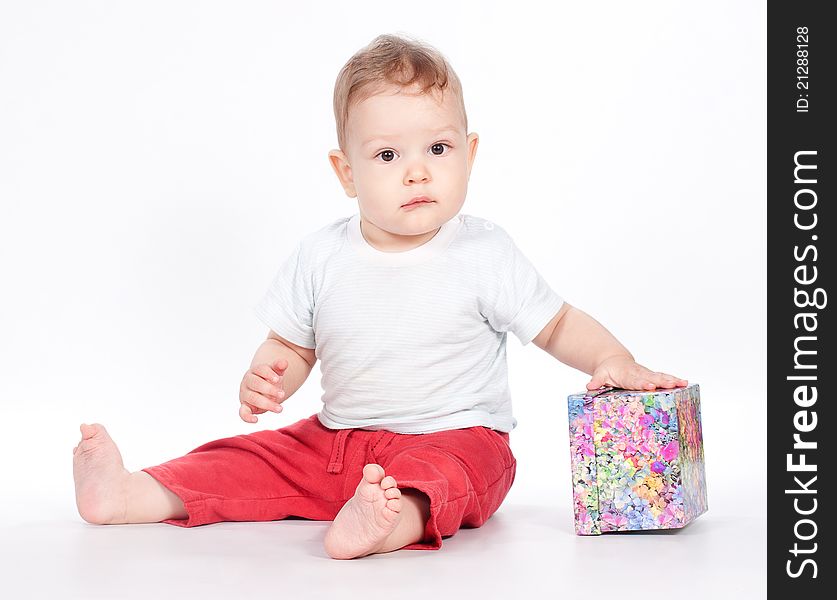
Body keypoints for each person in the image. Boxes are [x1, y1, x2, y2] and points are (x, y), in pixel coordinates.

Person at [72, 33, 688, 560]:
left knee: (448, 479)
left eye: (438, 149)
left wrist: (612, 359)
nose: (416, 171)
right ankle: (132, 494)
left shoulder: (483, 252)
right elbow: (290, 345)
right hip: (336, 442)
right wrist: (269, 378)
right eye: (388, 154)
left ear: (470, 156)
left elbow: (556, 324)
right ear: (347, 173)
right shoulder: (320, 256)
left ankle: (387, 524)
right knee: (246, 458)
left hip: (458, 437)